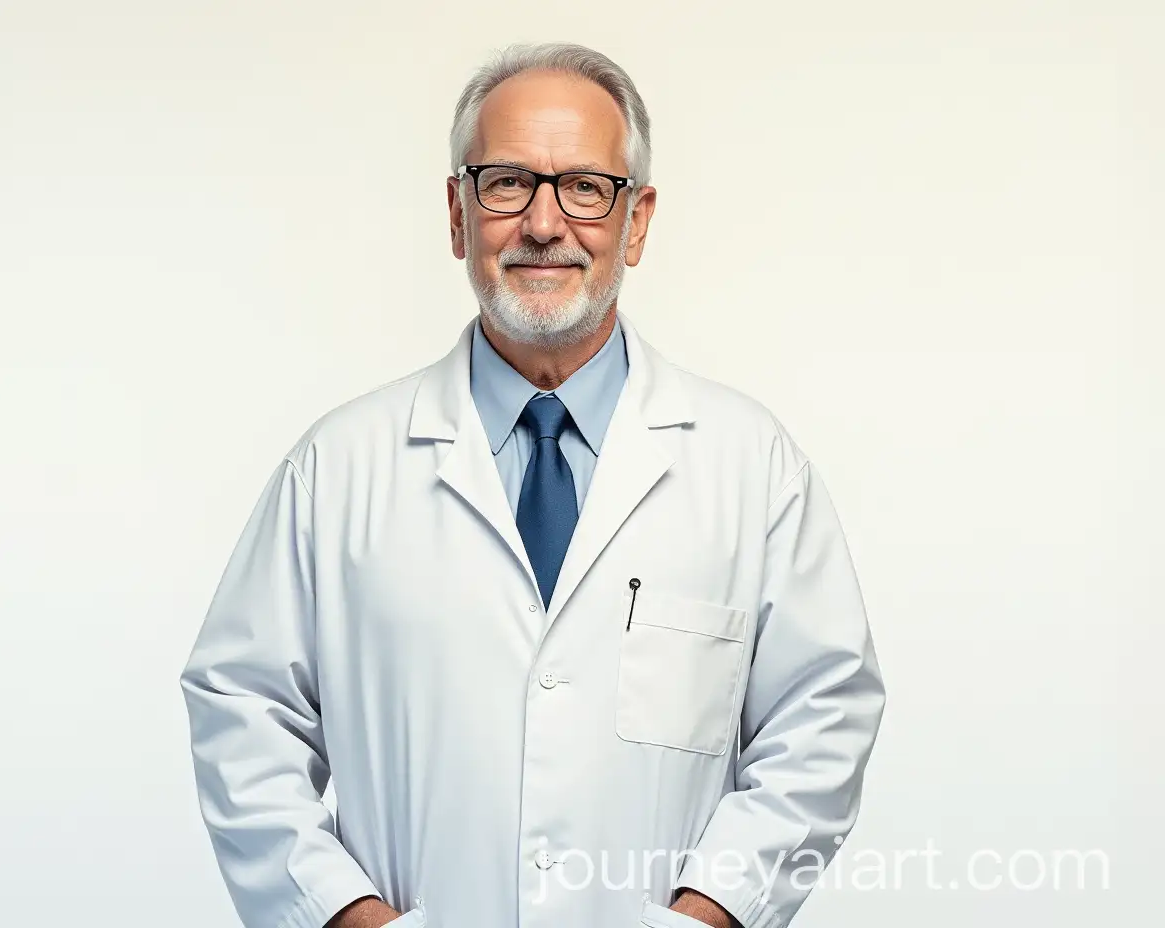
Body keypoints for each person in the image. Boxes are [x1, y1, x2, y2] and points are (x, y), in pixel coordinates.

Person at [180, 42, 886, 928]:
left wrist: (709, 915)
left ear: (636, 221)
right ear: (457, 213)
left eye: (586, 187)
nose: (545, 224)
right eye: (508, 183)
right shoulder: (338, 469)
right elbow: (242, 711)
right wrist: (341, 916)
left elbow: (822, 717)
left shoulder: (751, 468)